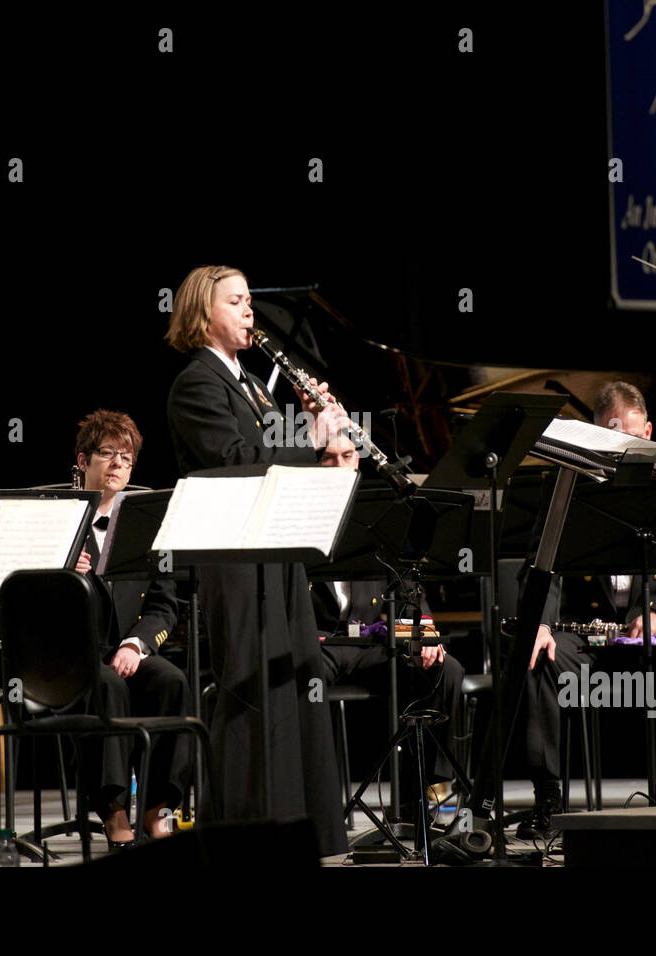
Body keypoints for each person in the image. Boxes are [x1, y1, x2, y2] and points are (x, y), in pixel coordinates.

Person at [165, 264, 348, 858]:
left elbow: (278, 455)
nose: (250, 312)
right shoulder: (196, 382)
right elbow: (238, 458)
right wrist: (313, 438)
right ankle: (247, 837)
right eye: (236, 302)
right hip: (235, 561)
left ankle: (305, 829)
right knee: (251, 694)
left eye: (250, 301)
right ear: (203, 313)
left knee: (296, 685)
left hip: (276, 553)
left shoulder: (251, 384)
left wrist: (329, 458)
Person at [523, 383, 656, 831]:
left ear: (649, 432)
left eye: (635, 442)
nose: (625, 453)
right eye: (613, 442)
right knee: (542, 656)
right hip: (589, 634)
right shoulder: (568, 486)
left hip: (653, 634)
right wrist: (539, 624)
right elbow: (543, 567)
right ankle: (548, 800)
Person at [311, 430, 466, 803]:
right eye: (328, 458)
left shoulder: (381, 515)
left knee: (445, 669)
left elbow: (409, 587)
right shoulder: (297, 515)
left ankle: (424, 794)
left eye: (347, 457)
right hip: (319, 643)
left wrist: (422, 629)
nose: (339, 467)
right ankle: (321, 803)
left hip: (368, 641)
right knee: (304, 678)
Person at [70, 409, 190, 845]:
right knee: (108, 687)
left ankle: (158, 808)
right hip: (72, 661)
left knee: (171, 681)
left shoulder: (144, 523)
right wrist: (63, 575)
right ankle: (114, 810)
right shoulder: (56, 520)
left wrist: (137, 645)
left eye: (127, 457)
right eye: (107, 454)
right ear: (83, 462)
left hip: (126, 652)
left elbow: (164, 603)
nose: (119, 464)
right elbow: (32, 609)